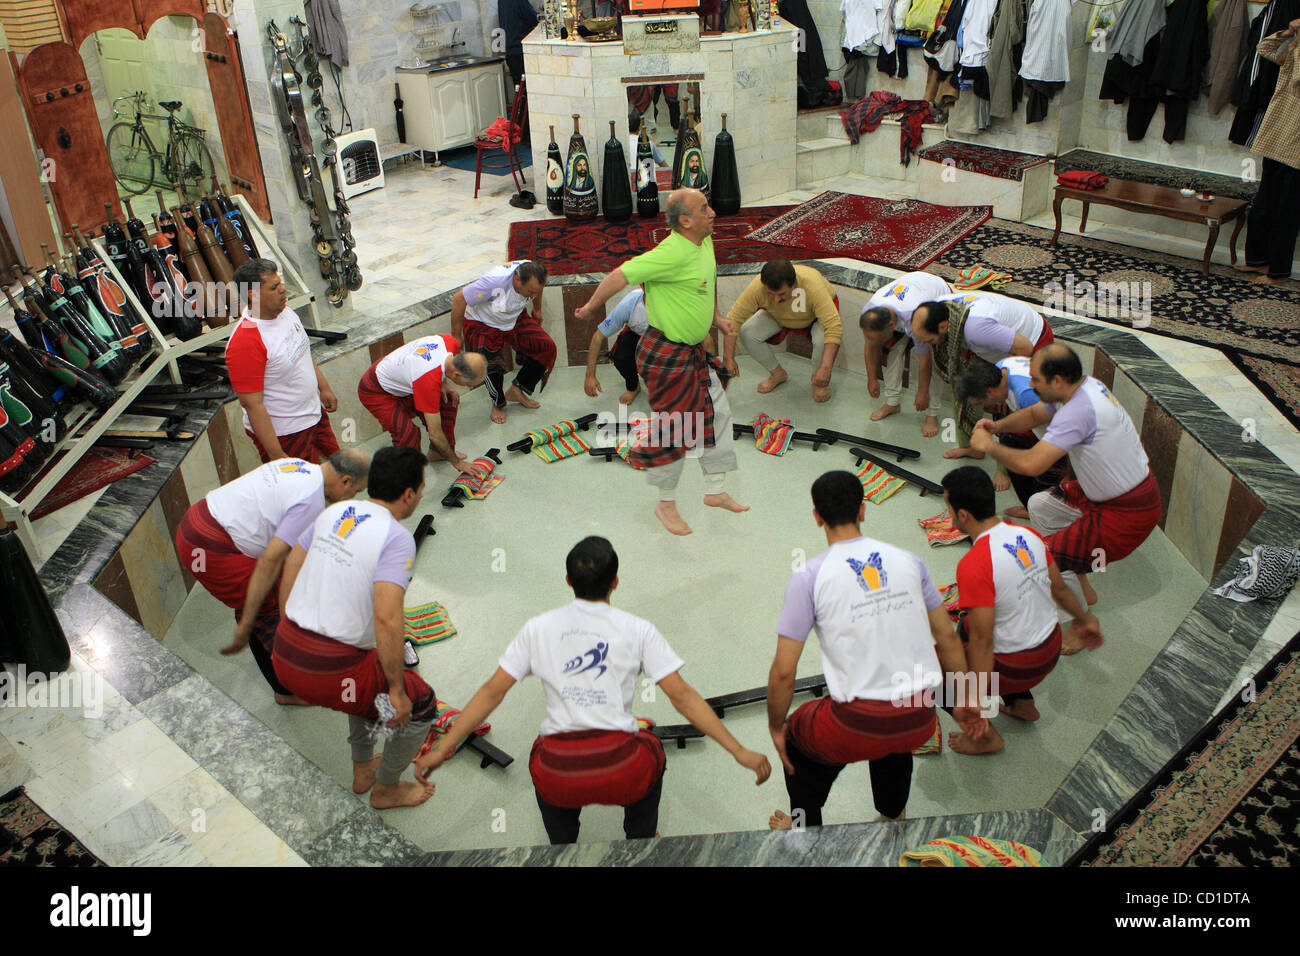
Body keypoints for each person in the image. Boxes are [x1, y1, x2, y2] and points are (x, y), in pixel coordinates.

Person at [414, 536, 771, 844]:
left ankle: (563, 844)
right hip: (625, 770)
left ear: (567, 580)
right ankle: (642, 838)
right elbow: (683, 698)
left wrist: (443, 749)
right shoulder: (639, 630)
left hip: (559, 775)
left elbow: (491, 693)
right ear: (615, 582)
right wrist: (738, 750)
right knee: (651, 747)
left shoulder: (538, 629)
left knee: (542, 755)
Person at [766, 470, 986, 829]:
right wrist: (964, 701)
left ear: (816, 516)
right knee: (893, 736)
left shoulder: (808, 577)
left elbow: (784, 672)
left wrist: (776, 726)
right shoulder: (909, 561)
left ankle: (805, 830)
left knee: (796, 739)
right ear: (863, 510)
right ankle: (893, 813)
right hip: (918, 718)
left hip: (855, 723)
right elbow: (947, 640)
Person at [272, 446, 437, 809]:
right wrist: (396, 690)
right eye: (421, 490)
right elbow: (388, 617)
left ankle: (363, 769)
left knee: (364, 668)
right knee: (419, 702)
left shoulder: (332, 513)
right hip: (327, 669)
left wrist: (290, 629)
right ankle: (386, 788)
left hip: (283, 654)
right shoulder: (397, 538)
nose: (421, 495)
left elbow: (291, 567)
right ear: (408, 495)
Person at [574, 188, 746, 536]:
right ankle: (665, 504)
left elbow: (703, 285)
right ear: (685, 221)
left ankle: (715, 490)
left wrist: (715, 319)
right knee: (676, 428)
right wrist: (592, 307)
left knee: (718, 412)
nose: (712, 213)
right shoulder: (672, 251)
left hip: (692, 352)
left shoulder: (705, 241)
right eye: (704, 208)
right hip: (665, 353)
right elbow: (619, 276)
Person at [969, 344, 1162, 650]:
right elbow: (1034, 413)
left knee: (1045, 561)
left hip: (1126, 513)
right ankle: (1078, 583)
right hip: (1097, 494)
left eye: (1035, 380)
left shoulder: (1078, 411)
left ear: (1057, 380)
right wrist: (997, 426)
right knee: (1040, 505)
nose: (1030, 385)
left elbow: (1033, 463)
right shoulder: (1082, 387)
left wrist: (989, 445)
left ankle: (1082, 622)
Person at [174, 449, 369, 703]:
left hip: (198, 520)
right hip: (209, 546)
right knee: (265, 607)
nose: (351, 497)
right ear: (345, 481)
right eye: (354, 491)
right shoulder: (310, 501)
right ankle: (287, 690)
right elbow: (271, 561)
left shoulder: (302, 468)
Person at [940, 466, 1102, 754]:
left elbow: (983, 641)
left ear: (962, 515)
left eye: (950, 509)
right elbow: (1059, 589)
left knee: (931, 668)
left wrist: (973, 699)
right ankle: (1022, 704)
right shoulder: (1026, 534)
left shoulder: (974, 563)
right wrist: (1083, 620)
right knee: (967, 623)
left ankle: (985, 736)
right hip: (1050, 647)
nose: (950, 516)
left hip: (1018, 664)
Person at [912, 291, 1054, 460]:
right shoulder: (935, 313)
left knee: (1009, 407)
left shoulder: (976, 330)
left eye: (929, 341)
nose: (927, 346)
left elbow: (1024, 348)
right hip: (993, 343)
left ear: (943, 327)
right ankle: (973, 448)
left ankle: (1006, 467)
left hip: (1032, 339)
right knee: (965, 392)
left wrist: (1007, 387)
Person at [225, 259, 341, 464]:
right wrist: (277, 454)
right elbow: (253, 406)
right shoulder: (245, 342)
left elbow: (302, 351)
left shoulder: (285, 312)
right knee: (304, 490)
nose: (283, 290)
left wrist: (323, 387)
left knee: (340, 471)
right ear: (254, 295)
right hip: (286, 433)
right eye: (274, 287)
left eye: (280, 283)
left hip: (314, 414)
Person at [953, 356, 1068, 518]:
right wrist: (996, 427)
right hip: (1050, 425)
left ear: (990, 392)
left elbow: (1060, 435)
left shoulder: (1027, 394)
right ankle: (1031, 507)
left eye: (980, 403)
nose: (983, 407)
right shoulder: (1002, 367)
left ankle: (1040, 511)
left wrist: (988, 445)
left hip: (1070, 440)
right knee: (1009, 439)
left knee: (1044, 480)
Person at [358, 333, 487, 474]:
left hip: (407, 379)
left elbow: (437, 363)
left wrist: (443, 382)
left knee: (448, 401)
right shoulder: (428, 381)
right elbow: (435, 434)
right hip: (376, 389)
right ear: (456, 374)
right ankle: (404, 477)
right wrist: (458, 463)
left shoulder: (449, 342)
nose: (468, 387)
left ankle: (438, 453)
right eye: (468, 384)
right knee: (407, 434)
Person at [450, 260, 556, 425]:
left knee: (547, 348)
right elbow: (459, 298)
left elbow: (537, 289)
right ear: (516, 280)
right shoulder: (494, 282)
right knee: (490, 365)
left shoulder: (533, 273)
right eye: (530, 291)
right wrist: (456, 335)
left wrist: (537, 309)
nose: (533, 295)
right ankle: (498, 403)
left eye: (535, 292)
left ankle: (517, 389)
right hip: (482, 322)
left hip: (513, 317)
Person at [1235, 17, 1300, 285]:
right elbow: (1265, 49)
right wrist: (1287, 32)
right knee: (1263, 205)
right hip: (1276, 136)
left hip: (1296, 144)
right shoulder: (1295, 45)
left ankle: (1278, 272)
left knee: (1287, 210)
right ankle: (1258, 260)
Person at [723, 259, 844, 403]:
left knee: (822, 340)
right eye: (770, 294)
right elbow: (733, 319)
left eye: (781, 294)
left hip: (814, 318)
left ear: (793, 285)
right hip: (779, 316)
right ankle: (777, 374)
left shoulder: (812, 285)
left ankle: (817, 382)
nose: (775, 299)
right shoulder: (758, 287)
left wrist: (826, 368)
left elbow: (834, 326)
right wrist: (728, 358)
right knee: (747, 332)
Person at [858, 271, 953, 436]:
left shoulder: (915, 316)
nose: (875, 341)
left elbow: (926, 361)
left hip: (937, 292)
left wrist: (922, 393)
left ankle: (932, 414)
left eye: (879, 337)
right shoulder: (870, 314)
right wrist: (871, 378)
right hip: (912, 284)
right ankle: (892, 403)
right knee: (891, 351)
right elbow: (870, 345)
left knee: (934, 357)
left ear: (891, 325)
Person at [584, 287, 648, 405]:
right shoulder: (629, 304)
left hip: (667, 336)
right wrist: (590, 376)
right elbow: (597, 337)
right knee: (620, 356)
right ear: (642, 286)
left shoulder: (676, 301)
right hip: (637, 334)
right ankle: (633, 387)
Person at [498, 0, 539, 93]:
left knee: (519, 95)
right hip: (521, 51)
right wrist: (541, 16)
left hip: (510, 52)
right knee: (528, 94)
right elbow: (533, 19)